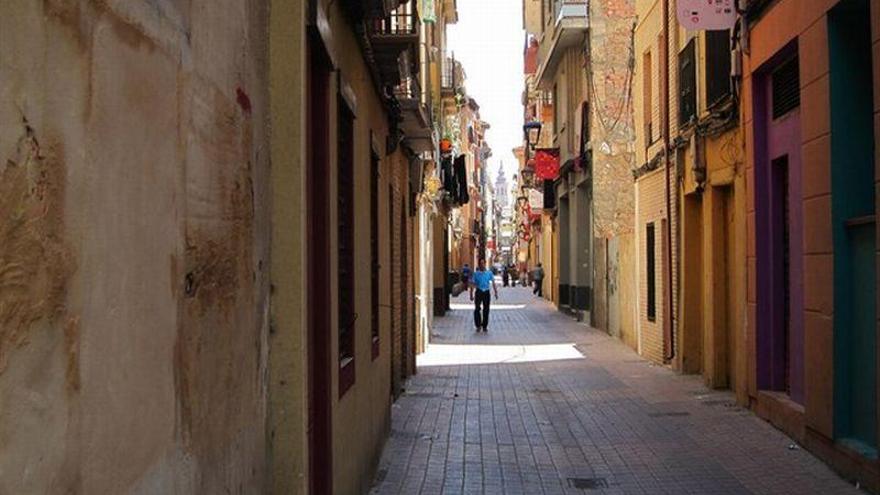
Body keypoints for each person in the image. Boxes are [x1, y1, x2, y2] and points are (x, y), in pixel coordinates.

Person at [469, 259, 498, 332]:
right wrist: (471, 294)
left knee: (486, 309)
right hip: (479, 291)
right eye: (480, 263)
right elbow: (472, 284)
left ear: (485, 264)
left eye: (483, 263)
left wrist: (496, 292)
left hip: (486, 292)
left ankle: (484, 325)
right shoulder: (476, 274)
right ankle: (478, 325)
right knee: (477, 309)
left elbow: (493, 283)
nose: (482, 265)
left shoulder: (489, 273)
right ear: (479, 265)